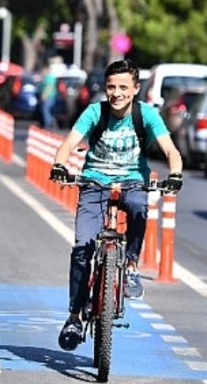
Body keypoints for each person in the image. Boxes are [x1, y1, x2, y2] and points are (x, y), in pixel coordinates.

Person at [48, 58, 183, 351]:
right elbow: (69, 143)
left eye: (123, 87)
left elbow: (170, 149)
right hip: (94, 183)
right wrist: (59, 165)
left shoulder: (146, 115)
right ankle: (74, 315)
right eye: (111, 87)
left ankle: (131, 264)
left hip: (133, 181)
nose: (117, 93)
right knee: (83, 247)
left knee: (138, 206)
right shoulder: (95, 112)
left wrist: (175, 174)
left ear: (135, 89)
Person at [39, 64, 58, 129]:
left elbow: (48, 87)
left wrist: (45, 95)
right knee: (48, 110)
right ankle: (51, 122)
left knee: (45, 110)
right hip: (49, 96)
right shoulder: (47, 77)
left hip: (48, 97)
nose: (43, 72)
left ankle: (48, 124)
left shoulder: (50, 78)